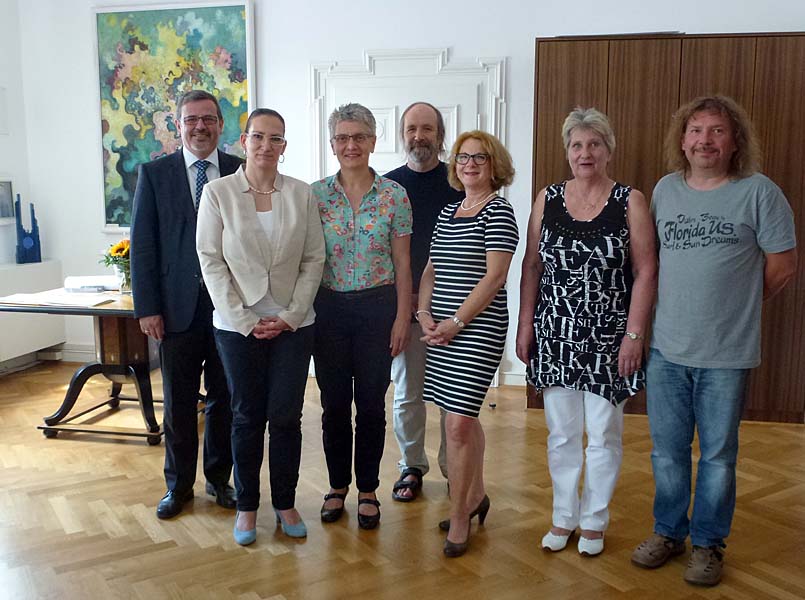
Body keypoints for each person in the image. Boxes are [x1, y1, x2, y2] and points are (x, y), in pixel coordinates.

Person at [631, 95, 797, 586]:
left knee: (719, 456)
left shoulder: (759, 192)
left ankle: (708, 544)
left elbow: (783, 266)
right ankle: (668, 532)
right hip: (666, 350)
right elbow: (649, 265)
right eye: (697, 130)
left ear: (735, 141)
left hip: (727, 354)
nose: (705, 139)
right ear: (682, 141)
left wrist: (736, 303)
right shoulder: (663, 190)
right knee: (667, 452)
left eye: (717, 131)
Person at [516, 107, 657, 557]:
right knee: (560, 433)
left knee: (603, 433)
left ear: (609, 150)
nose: (585, 152)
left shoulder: (629, 200)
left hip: (608, 337)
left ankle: (594, 519)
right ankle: (563, 516)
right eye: (577, 145)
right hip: (555, 331)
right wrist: (524, 325)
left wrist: (634, 335)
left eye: (594, 144)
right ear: (567, 152)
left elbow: (647, 269)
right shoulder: (548, 198)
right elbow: (532, 266)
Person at [196, 108, 325, 545]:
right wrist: (246, 320)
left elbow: (314, 258)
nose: (266, 146)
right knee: (247, 415)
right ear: (244, 140)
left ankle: (285, 502)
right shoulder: (218, 193)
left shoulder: (302, 194)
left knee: (286, 416)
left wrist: (289, 315)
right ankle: (247, 506)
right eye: (258, 137)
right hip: (236, 326)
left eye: (276, 139)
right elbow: (211, 261)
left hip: (294, 322)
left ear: (284, 147)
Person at [131, 90, 241, 519]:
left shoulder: (239, 170)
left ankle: (218, 480)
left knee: (225, 399)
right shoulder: (154, 175)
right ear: (177, 126)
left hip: (230, 308)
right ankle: (178, 486)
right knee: (178, 403)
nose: (200, 126)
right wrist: (147, 308)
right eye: (191, 119)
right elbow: (143, 246)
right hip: (174, 311)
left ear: (220, 124)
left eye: (208, 119)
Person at [311, 103, 413, 530]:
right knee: (334, 405)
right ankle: (337, 486)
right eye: (342, 138)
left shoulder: (394, 196)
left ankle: (368, 488)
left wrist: (402, 318)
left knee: (370, 405)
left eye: (359, 137)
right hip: (328, 310)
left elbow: (404, 264)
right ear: (333, 144)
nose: (350, 145)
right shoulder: (314, 195)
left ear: (373, 141)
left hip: (377, 309)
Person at [418, 130, 519, 557]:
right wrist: (423, 313)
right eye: (463, 157)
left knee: (458, 424)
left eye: (480, 157)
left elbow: (494, 277)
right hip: (440, 329)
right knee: (459, 419)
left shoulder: (499, 212)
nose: (470, 164)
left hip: (476, 330)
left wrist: (456, 321)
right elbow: (430, 268)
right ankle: (474, 497)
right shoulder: (448, 211)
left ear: (494, 165)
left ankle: (460, 517)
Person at [385, 102, 463, 502]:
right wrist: (406, 304)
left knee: (454, 398)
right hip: (405, 310)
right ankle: (411, 465)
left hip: (454, 312)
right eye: (412, 128)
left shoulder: (460, 182)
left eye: (427, 128)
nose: (419, 136)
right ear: (403, 134)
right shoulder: (387, 187)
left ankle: (456, 470)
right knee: (407, 395)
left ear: (440, 134)